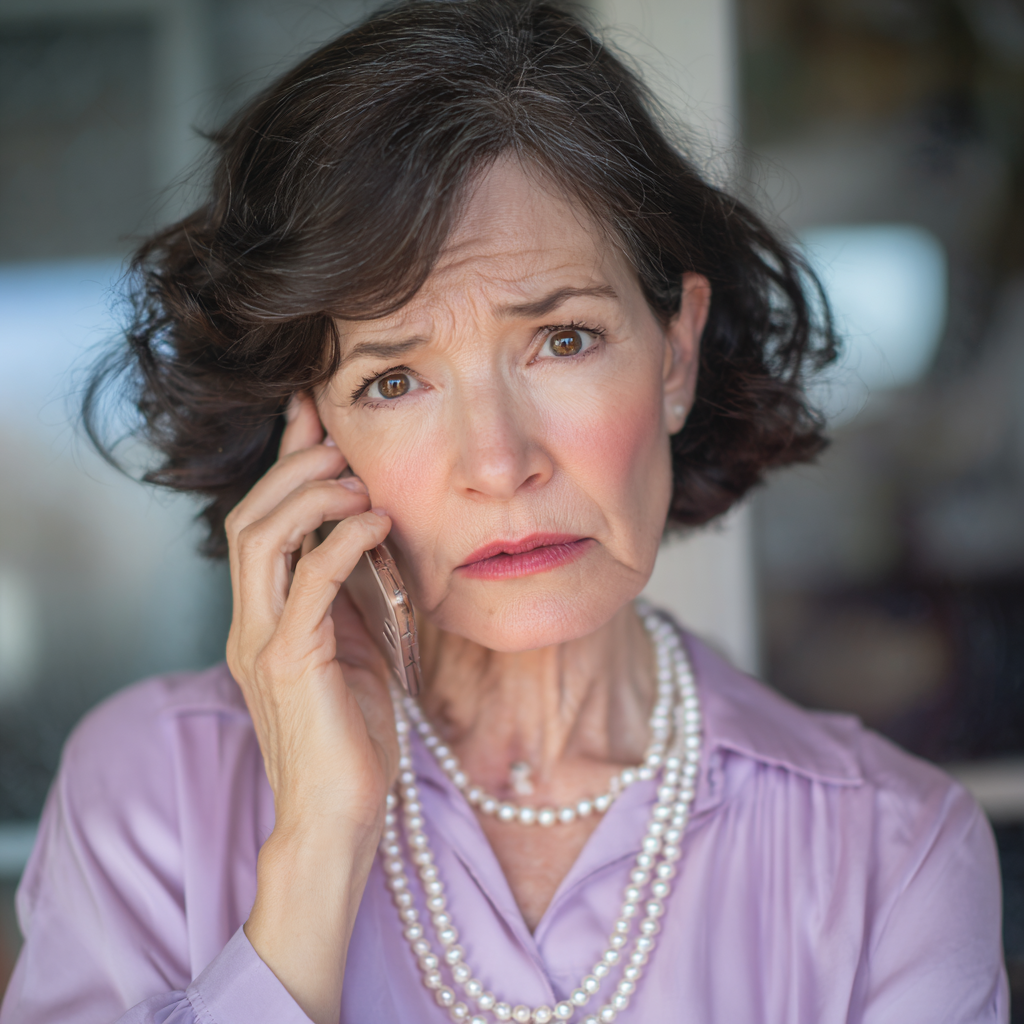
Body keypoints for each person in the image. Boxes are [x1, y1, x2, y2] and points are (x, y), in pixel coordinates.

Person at [0, 2, 1007, 1022]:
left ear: (676, 352)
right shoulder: (150, 792)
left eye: (563, 340)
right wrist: (315, 851)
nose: (498, 462)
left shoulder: (893, 856)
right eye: (394, 381)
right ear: (311, 435)